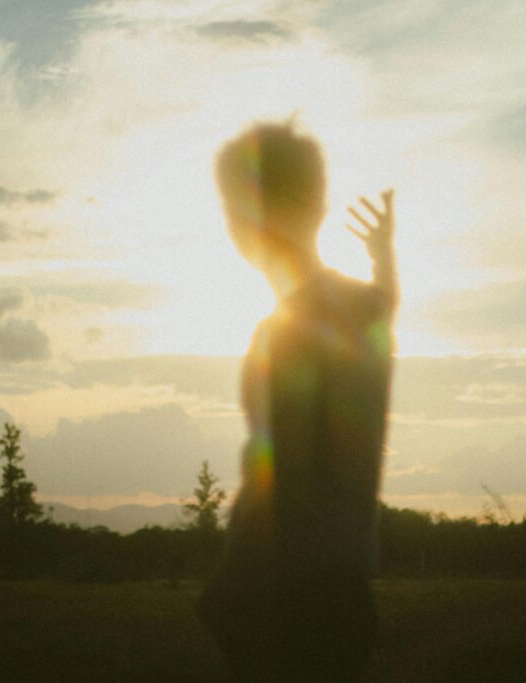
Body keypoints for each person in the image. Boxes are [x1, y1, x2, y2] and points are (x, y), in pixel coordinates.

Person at [197, 120, 398, 681]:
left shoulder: (283, 334)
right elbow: (385, 303)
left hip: (288, 605)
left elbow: (284, 477)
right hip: (345, 594)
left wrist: (230, 588)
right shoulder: (361, 307)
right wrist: (383, 257)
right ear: (318, 208)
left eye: (237, 207)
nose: (234, 226)